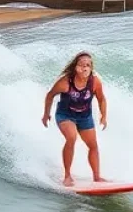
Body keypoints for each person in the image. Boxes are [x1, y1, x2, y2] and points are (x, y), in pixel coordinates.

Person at [42, 52, 107, 187]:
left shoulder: (95, 82)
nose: (85, 68)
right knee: (71, 138)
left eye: (88, 65)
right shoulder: (65, 82)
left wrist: (104, 116)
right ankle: (67, 176)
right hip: (65, 115)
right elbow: (50, 95)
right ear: (75, 67)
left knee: (93, 146)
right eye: (81, 65)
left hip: (85, 116)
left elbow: (101, 99)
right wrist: (46, 114)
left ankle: (97, 177)